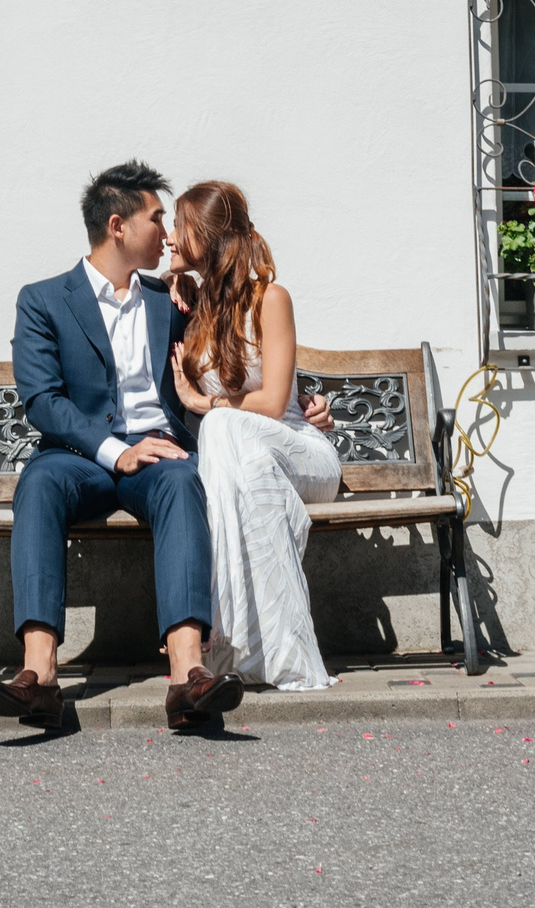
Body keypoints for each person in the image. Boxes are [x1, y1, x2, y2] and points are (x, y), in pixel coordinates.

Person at [0, 162, 329, 732]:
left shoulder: (172, 301)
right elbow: (42, 401)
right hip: (79, 458)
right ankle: (39, 676)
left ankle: (189, 676)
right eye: (156, 217)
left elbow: (238, 355)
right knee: (37, 483)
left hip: (160, 453)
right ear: (118, 226)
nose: (166, 232)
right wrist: (114, 451)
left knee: (181, 481)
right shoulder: (43, 300)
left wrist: (305, 403)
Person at [169, 180, 343, 692]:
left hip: (302, 454)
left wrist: (207, 404)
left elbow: (270, 404)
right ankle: (265, 647)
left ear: (209, 235)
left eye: (180, 226)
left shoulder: (271, 299)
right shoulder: (196, 307)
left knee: (222, 426)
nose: (171, 238)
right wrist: (173, 282)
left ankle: (227, 634)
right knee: (242, 458)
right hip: (251, 467)